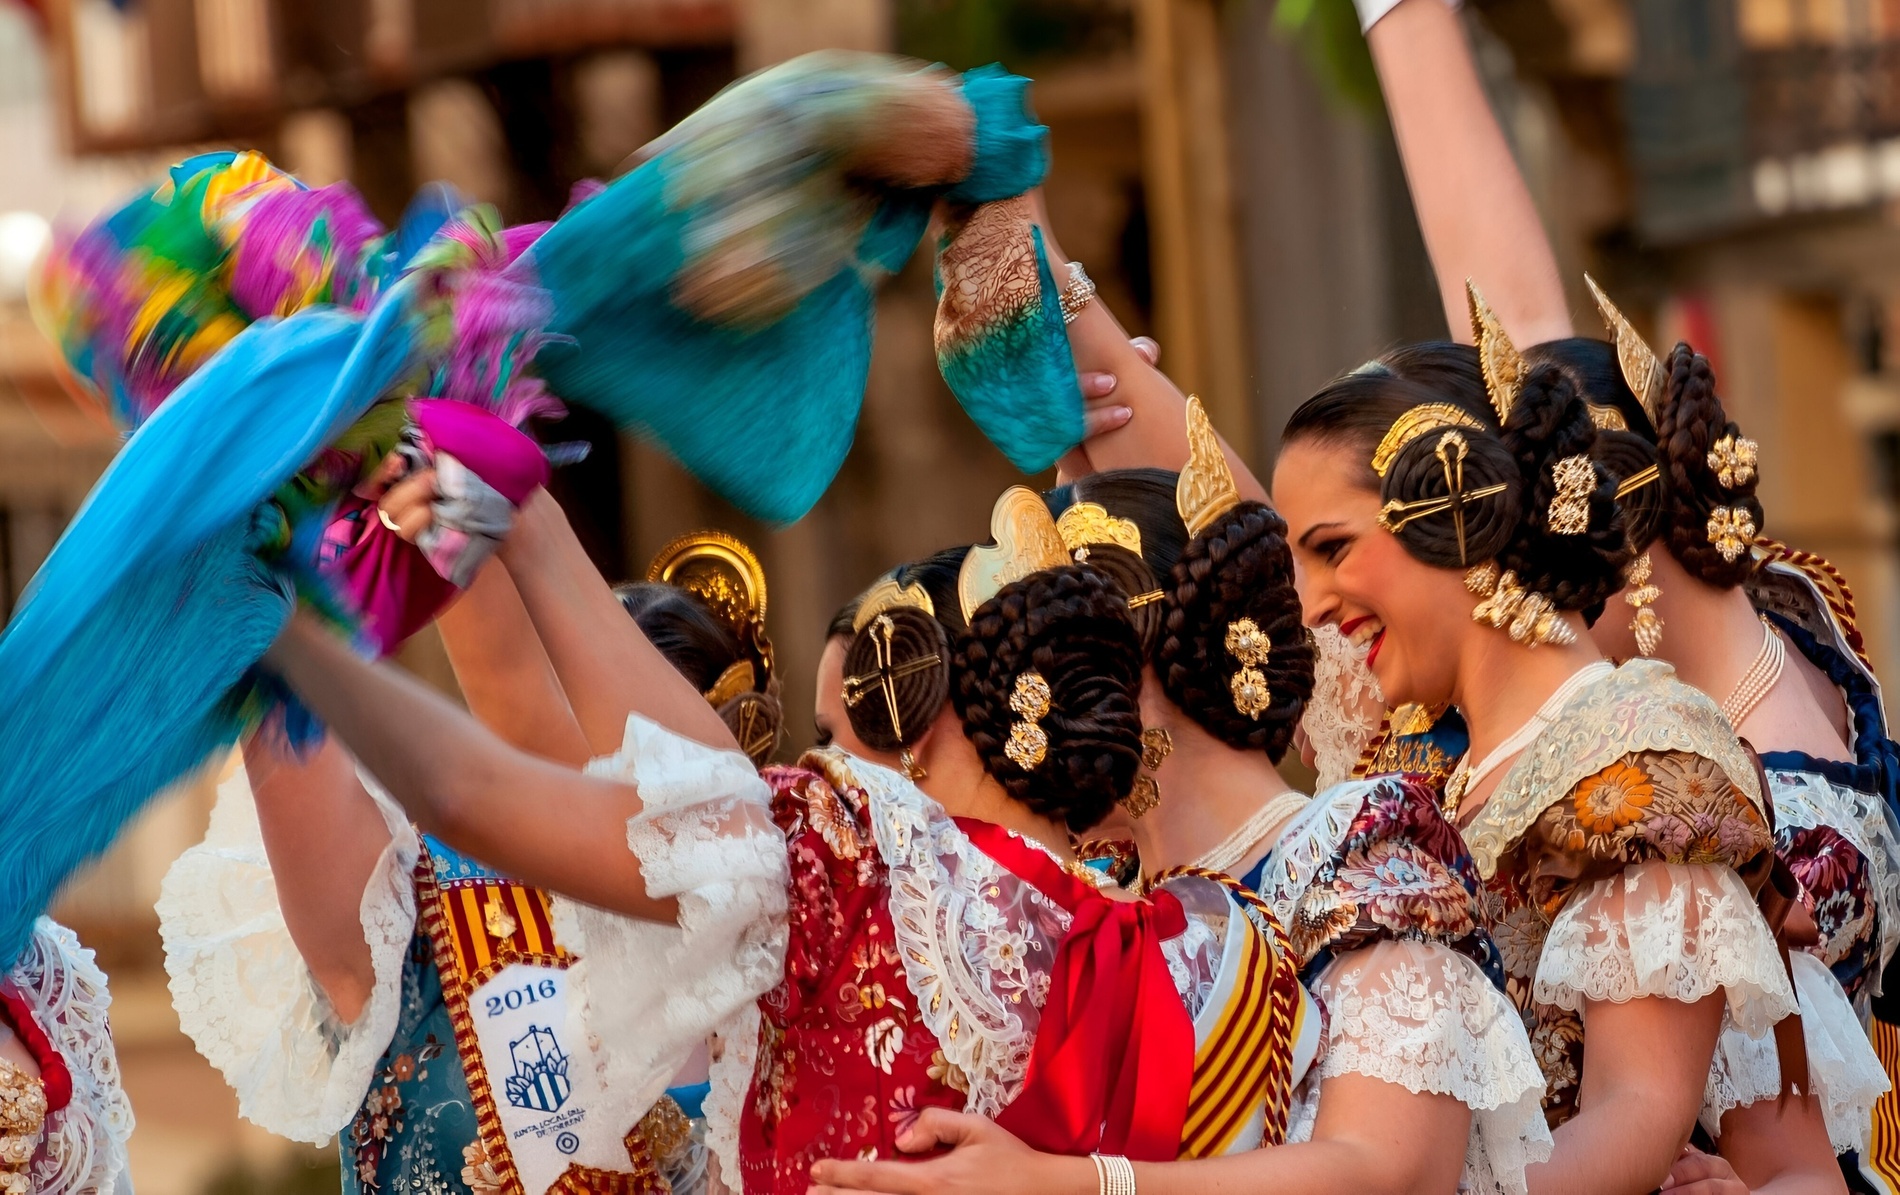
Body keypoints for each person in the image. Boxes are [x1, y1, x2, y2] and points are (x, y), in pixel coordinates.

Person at [804, 194, 1546, 1195]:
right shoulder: (1094, 896)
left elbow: (1387, 1168)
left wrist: (1070, 1186)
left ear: (1134, 663)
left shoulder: (1354, 859)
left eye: (1036, 667)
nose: (1007, 721)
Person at [1359, 0, 1892, 1183]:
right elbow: (1507, 314)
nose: (1503, 587)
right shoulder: (1660, 671)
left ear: (1597, 520)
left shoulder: (1674, 758)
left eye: (1507, 534)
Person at [1268, 280, 1808, 1194]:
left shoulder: (1640, 753)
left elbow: (1636, 1115)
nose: (1312, 600)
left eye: (1332, 547)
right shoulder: (1416, 778)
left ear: (1457, 514)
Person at [159, 488, 788, 1195]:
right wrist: (265, 512)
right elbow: (285, 697)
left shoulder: (800, 952)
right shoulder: (422, 919)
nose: (632, 791)